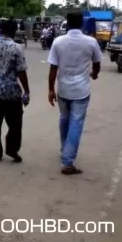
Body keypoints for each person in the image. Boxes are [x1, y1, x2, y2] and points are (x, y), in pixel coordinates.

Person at [47, 11, 102, 175]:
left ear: (67, 23)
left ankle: (65, 150)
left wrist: (50, 89)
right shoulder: (91, 42)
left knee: (64, 119)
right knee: (76, 124)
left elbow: (53, 68)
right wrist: (95, 74)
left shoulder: (58, 42)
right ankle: (67, 162)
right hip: (81, 90)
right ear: (82, 24)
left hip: (63, 89)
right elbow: (97, 63)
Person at [0, 19, 30, 163]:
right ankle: (12, 149)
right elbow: (21, 71)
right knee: (15, 124)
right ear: (14, 31)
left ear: (1, 30)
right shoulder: (17, 48)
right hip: (11, 93)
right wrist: (26, 91)